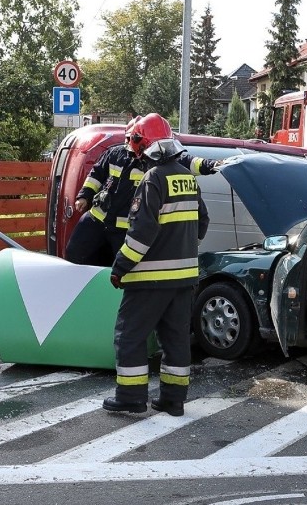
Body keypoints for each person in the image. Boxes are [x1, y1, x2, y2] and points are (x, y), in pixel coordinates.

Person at [102, 113, 209, 418]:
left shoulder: (153, 179)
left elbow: (141, 233)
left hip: (149, 279)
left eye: (137, 145)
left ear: (146, 147)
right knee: (175, 339)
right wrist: (183, 247)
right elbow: (203, 222)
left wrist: (120, 266)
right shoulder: (187, 178)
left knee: (130, 336)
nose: (134, 153)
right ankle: (173, 400)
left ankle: (130, 397)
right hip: (185, 279)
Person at [64, 118, 218, 267]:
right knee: (74, 255)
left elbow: (189, 162)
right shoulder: (114, 154)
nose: (129, 143)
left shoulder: (157, 160)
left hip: (125, 230)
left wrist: (211, 165)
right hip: (97, 220)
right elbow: (96, 175)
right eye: (128, 138)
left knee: (119, 267)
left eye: (133, 139)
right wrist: (85, 195)